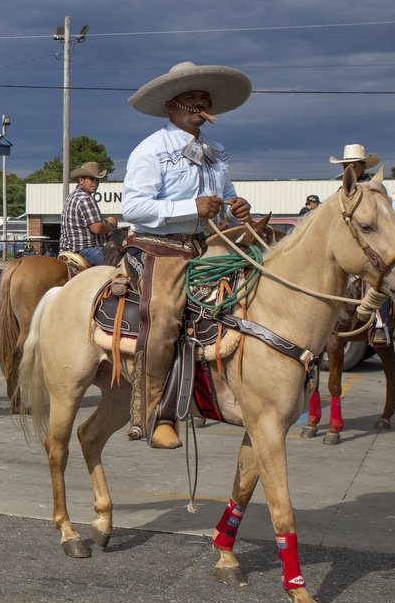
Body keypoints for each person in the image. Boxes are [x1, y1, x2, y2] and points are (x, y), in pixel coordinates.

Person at [121, 61, 253, 449]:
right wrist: (189, 209)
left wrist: (236, 206)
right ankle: (153, 412)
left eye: (205, 98)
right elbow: (134, 208)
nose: (201, 102)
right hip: (158, 249)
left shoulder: (216, 151)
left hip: (202, 248)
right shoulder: (151, 150)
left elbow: (223, 198)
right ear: (171, 106)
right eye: (192, 97)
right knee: (164, 319)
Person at [59, 161, 109, 264]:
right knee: (115, 269)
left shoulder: (72, 196)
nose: (95, 182)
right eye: (91, 179)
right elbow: (97, 228)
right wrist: (110, 225)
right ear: (81, 180)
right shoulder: (86, 198)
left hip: (67, 249)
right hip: (86, 249)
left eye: (97, 179)